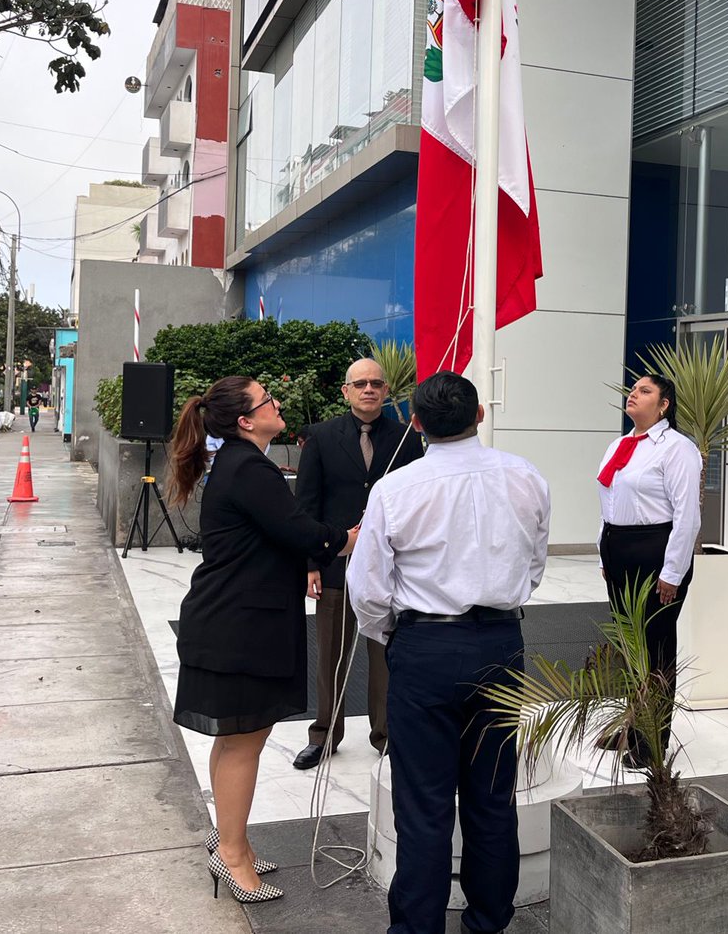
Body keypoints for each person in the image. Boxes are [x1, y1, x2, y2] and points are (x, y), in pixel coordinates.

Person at [348, 371, 550, 934]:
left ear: (413, 424)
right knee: (492, 798)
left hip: (424, 648)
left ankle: (417, 928)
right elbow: (534, 565)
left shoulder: (395, 489)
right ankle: (488, 924)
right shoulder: (527, 476)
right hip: (501, 644)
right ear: (479, 415)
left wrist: (395, 633)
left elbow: (366, 588)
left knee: (424, 805)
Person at [168, 376, 352, 905]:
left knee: (234, 738)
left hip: (233, 617)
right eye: (267, 400)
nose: (276, 404)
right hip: (239, 624)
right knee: (245, 741)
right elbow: (297, 529)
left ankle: (232, 841)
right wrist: (346, 540)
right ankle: (231, 856)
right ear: (246, 420)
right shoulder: (249, 467)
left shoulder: (239, 464)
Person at [292, 358, 424, 768]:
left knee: (385, 652)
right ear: (346, 392)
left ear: (387, 392)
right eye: (361, 383)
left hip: (389, 566)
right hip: (335, 564)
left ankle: (385, 733)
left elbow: (416, 500)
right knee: (331, 651)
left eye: (377, 383)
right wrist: (311, 563)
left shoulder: (406, 439)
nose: (369, 389)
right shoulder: (321, 436)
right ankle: (324, 734)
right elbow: (307, 504)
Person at [595, 373, 701, 768]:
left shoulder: (677, 449)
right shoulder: (620, 445)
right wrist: (605, 554)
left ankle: (653, 739)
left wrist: (673, 571)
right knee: (630, 646)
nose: (633, 395)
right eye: (632, 390)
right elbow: (608, 504)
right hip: (619, 549)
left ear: (663, 405)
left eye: (644, 391)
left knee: (655, 648)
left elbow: (687, 515)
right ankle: (631, 726)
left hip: (655, 551)